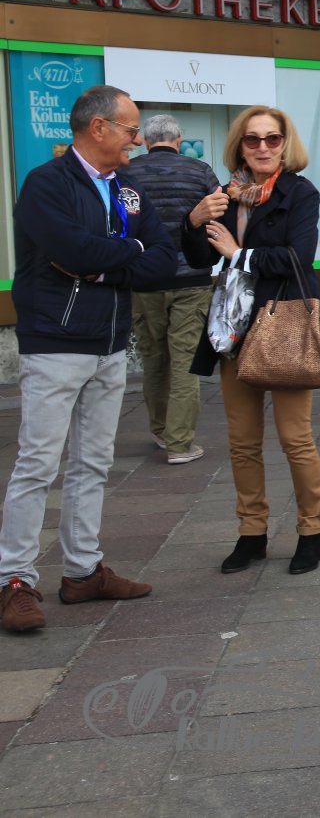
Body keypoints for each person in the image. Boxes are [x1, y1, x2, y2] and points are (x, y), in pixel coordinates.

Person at [0, 85, 175, 633]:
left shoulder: (127, 188)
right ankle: (13, 581)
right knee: (38, 464)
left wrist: (106, 264)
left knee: (94, 463)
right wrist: (126, 256)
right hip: (56, 342)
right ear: (98, 128)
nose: (137, 140)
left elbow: (163, 259)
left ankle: (82, 572)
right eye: (130, 129)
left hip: (110, 343)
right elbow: (70, 250)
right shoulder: (46, 183)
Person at [184, 107, 320, 576]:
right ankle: (251, 534)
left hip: (282, 325)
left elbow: (299, 258)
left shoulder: (299, 192)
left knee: (295, 439)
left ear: (285, 144)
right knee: (242, 442)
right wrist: (193, 222)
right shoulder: (226, 195)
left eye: (272, 138)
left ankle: (312, 533)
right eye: (252, 139)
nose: (263, 147)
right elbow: (198, 256)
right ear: (240, 146)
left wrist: (238, 254)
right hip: (234, 329)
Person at [119, 114, 222, 465]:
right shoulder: (200, 171)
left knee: (154, 360)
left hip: (144, 280)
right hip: (191, 279)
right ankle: (180, 444)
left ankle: (161, 431)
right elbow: (218, 216)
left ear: (147, 141)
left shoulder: (128, 174)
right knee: (184, 362)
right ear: (178, 140)